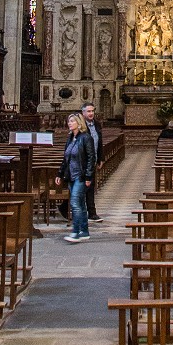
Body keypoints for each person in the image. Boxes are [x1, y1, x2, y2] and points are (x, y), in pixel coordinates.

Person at [54, 112, 96, 242]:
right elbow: (65, 159)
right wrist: (60, 174)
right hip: (71, 176)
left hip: (81, 176)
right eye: (69, 121)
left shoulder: (86, 138)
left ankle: (75, 231)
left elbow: (91, 158)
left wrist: (89, 176)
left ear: (79, 123)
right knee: (81, 204)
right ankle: (84, 231)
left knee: (74, 203)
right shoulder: (71, 138)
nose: (69, 123)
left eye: (72, 121)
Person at [80, 102, 104, 222]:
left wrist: (100, 158)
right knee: (83, 187)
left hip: (92, 160)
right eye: (88, 111)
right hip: (82, 161)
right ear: (83, 113)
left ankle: (91, 213)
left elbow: (99, 142)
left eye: (92, 111)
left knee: (90, 186)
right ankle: (89, 212)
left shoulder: (97, 124)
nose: (91, 113)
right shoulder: (80, 126)